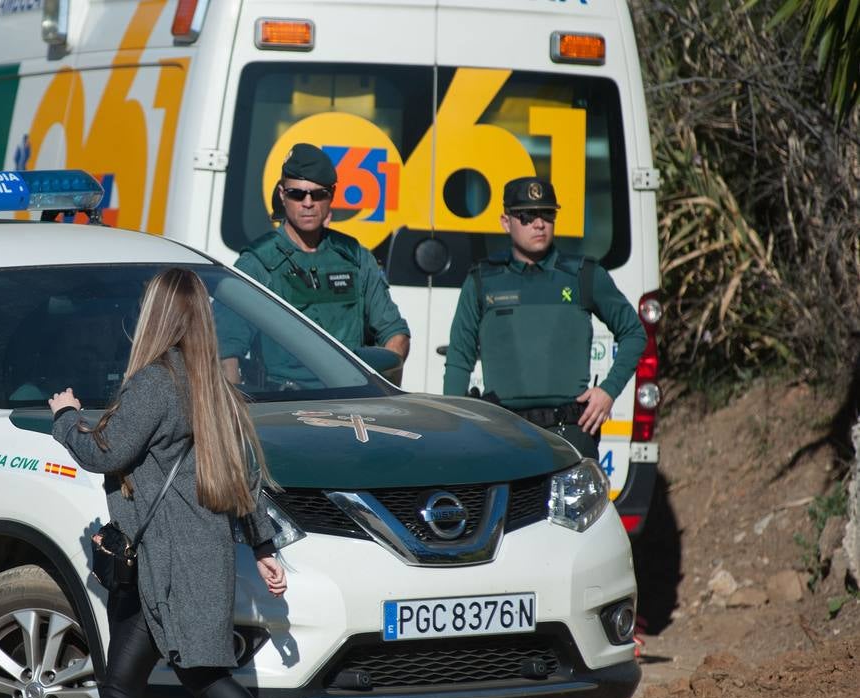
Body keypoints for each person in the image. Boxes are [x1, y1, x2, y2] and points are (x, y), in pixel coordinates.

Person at [23, 267, 321, 698]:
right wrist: (261, 544)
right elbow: (242, 478)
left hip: (165, 564)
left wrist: (66, 418)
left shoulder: (156, 383)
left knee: (203, 674)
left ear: (156, 316)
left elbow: (105, 453)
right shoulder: (214, 386)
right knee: (124, 684)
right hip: (193, 556)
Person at [442, 176, 646, 460]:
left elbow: (634, 334)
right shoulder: (482, 281)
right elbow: (459, 357)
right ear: (505, 222)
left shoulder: (584, 275)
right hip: (503, 433)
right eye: (527, 215)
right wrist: (454, 427)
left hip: (572, 433)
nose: (539, 224)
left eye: (547, 214)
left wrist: (608, 391)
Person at [224, 142, 410, 388]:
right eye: (297, 194)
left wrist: (380, 388)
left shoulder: (355, 258)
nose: (308, 202)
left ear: (331, 195)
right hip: (284, 404)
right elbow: (225, 350)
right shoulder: (257, 264)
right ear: (283, 195)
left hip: (350, 400)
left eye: (318, 194)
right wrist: (240, 413)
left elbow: (396, 334)